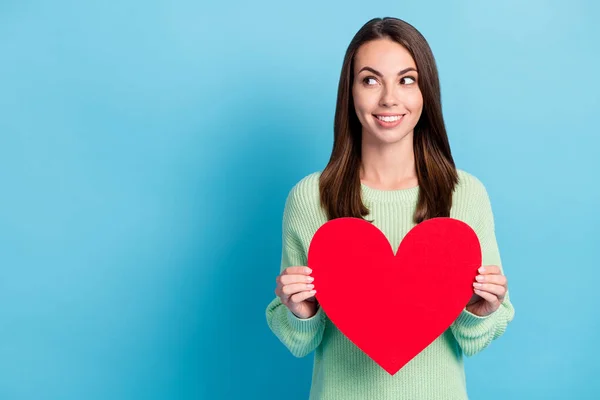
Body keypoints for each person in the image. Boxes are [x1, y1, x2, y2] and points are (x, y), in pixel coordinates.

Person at [265, 16, 515, 400]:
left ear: (425, 92)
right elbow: (301, 343)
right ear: (350, 92)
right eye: (370, 80)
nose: (388, 99)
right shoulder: (309, 198)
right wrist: (301, 311)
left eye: (406, 79)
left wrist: (480, 310)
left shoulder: (465, 195)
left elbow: (474, 341)